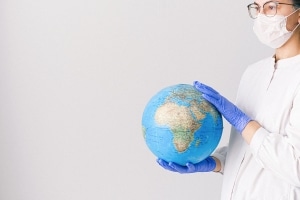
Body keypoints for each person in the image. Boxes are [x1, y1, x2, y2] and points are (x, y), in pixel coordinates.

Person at [156, 0, 300, 199]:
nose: (261, 16)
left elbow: (295, 166)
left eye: (271, 6)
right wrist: (217, 162)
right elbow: (249, 152)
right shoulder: (253, 73)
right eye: (256, 8)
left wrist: (245, 123)